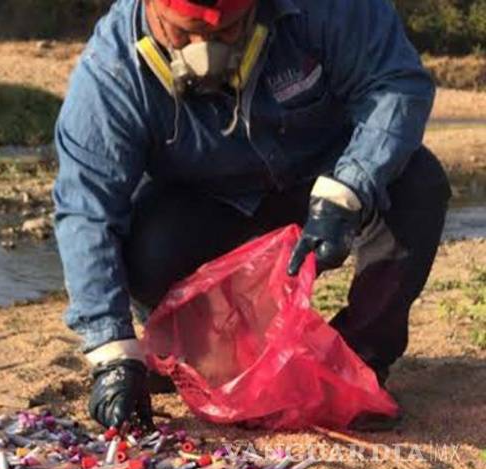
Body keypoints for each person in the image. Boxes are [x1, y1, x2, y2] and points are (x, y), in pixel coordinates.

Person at [53, 0, 451, 429]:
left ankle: (361, 360)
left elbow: (396, 84)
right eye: (183, 35)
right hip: (207, 201)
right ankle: (196, 357)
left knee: (418, 184)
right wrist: (111, 351)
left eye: (224, 34)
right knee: (146, 250)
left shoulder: (330, 10)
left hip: (323, 182)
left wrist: (349, 188)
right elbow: (86, 209)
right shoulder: (112, 70)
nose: (202, 53)